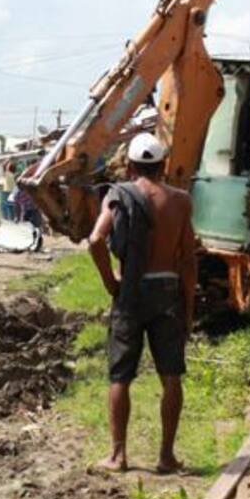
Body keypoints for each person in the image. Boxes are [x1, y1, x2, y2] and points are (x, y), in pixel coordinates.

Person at [87, 132, 196, 474]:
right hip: (167, 291)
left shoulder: (118, 195)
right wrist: (189, 307)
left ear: (131, 167)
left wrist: (110, 282)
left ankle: (118, 456)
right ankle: (166, 457)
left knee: (120, 376)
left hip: (131, 293)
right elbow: (188, 260)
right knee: (171, 376)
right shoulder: (180, 201)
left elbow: (95, 240)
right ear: (163, 166)